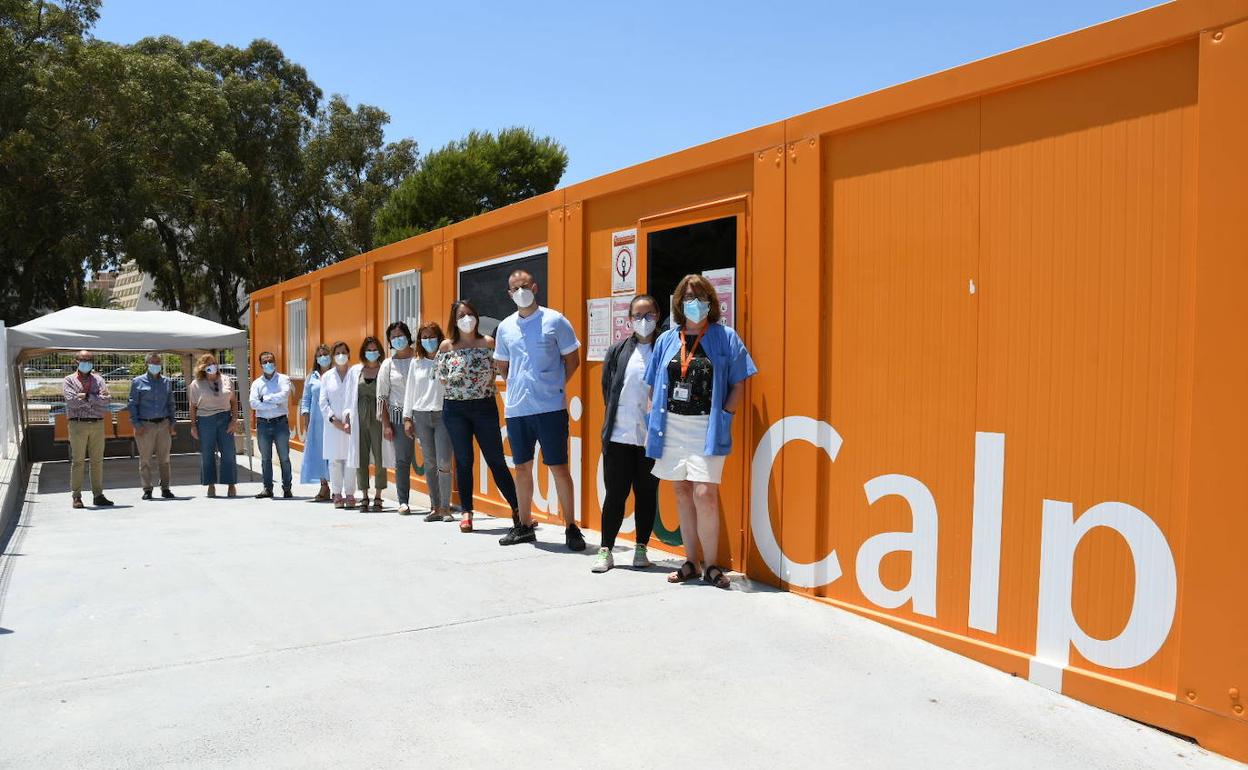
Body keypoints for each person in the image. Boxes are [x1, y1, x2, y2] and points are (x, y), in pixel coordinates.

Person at [643, 274, 757, 589]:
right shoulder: (667, 338)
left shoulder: (726, 336)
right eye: (689, 297)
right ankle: (690, 561)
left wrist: (725, 415)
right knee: (681, 492)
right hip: (672, 428)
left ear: (710, 301)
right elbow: (652, 382)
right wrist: (652, 411)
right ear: (679, 303)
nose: (694, 303)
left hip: (706, 429)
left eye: (700, 296)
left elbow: (738, 383)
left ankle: (711, 565)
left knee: (704, 494)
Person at [493, 269, 585, 551]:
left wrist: (553, 386)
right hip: (517, 410)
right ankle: (524, 525)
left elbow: (573, 360)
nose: (521, 291)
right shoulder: (505, 327)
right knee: (522, 468)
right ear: (509, 295)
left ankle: (571, 527)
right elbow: (502, 366)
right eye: (514, 288)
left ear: (535, 286)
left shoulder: (555, 320)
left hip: (550, 408)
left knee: (558, 467)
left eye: (524, 285)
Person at [437, 299, 519, 533]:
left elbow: (501, 371)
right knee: (464, 461)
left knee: (495, 460)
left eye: (470, 314)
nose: (467, 319)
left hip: (484, 407)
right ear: (454, 320)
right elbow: (441, 377)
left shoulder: (488, 343)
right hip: (455, 410)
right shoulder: (446, 347)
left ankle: (518, 510)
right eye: (461, 315)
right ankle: (467, 512)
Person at [593, 295, 661, 573]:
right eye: (637, 316)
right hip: (619, 436)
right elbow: (608, 389)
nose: (643, 321)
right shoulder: (618, 350)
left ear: (657, 315)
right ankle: (606, 550)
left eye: (648, 315)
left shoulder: (665, 348)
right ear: (630, 319)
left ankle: (641, 549)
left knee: (646, 494)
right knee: (615, 495)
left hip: (650, 439)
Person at [402, 322, 454, 522]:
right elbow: (410, 391)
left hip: (443, 415)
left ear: (439, 337)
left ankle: (446, 507)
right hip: (421, 415)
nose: (428, 341)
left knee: (444, 462)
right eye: (424, 337)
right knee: (430, 463)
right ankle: (434, 506)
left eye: (432, 337)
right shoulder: (417, 362)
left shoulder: (446, 358)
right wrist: (407, 417)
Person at [62, 350, 113, 509]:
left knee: (97, 461)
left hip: (97, 424)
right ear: (76, 361)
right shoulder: (68, 380)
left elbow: (107, 401)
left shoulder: (98, 379)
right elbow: (72, 402)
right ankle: (76, 496)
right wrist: (96, 398)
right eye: (83, 360)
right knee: (78, 462)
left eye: (90, 360)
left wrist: (86, 396)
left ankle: (98, 494)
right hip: (78, 424)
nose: (87, 363)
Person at [377, 323, 417, 514]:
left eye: (400, 335)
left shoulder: (419, 358)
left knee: (434, 459)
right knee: (402, 461)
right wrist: (386, 424)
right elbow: (382, 397)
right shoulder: (387, 364)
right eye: (393, 337)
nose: (397, 339)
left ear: (408, 336)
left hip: (423, 414)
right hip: (398, 417)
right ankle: (403, 501)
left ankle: (438, 503)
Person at [128, 351, 178, 500]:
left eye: (157, 363)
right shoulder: (137, 382)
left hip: (163, 424)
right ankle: (147, 489)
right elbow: (132, 404)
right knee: (145, 459)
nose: (155, 365)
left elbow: (171, 404)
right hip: (145, 425)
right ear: (147, 364)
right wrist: (136, 425)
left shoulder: (166, 382)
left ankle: (165, 488)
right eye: (152, 363)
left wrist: (172, 423)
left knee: (165, 459)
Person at [188, 353, 238, 498]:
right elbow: (192, 406)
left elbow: (234, 401)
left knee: (228, 452)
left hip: (225, 418)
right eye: (208, 364)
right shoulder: (196, 384)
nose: (212, 366)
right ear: (202, 367)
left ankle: (231, 484)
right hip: (205, 420)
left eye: (214, 363)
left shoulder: (227, 379)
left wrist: (234, 420)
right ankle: (210, 484)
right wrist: (193, 426)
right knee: (207, 454)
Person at [353, 336, 393, 511]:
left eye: (374, 349)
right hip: (360, 417)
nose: (372, 353)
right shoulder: (357, 371)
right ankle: (363, 494)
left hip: (378, 416)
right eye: (368, 350)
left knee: (379, 455)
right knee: (360, 457)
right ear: (363, 352)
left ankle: (378, 495)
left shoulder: (384, 369)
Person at [319, 341, 360, 508]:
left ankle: (350, 494)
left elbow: (356, 398)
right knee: (335, 460)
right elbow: (323, 401)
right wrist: (333, 420)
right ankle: (337, 494)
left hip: (351, 423)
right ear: (333, 356)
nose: (341, 356)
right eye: (337, 353)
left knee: (351, 459)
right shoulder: (327, 376)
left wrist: (348, 420)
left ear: (349, 354)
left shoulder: (355, 373)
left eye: (344, 352)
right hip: (333, 426)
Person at [249, 351, 293, 499]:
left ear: (275, 362)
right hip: (263, 424)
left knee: (284, 458)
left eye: (270, 361)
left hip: (280, 423)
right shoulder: (256, 383)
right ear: (260, 364)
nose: (268, 364)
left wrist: (265, 399)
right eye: (265, 362)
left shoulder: (283, 379)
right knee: (265, 458)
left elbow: (284, 395)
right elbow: (253, 403)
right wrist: (273, 405)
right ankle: (267, 488)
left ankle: (287, 488)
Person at [299, 344, 333, 502]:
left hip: (333, 420)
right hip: (316, 421)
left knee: (334, 452)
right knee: (319, 453)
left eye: (325, 354)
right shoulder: (311, 377)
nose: (323, 357)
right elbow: (306, 399)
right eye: (320, 355)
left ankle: (338, 486)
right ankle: (324, 485)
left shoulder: (336, 374)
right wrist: (306, 418)